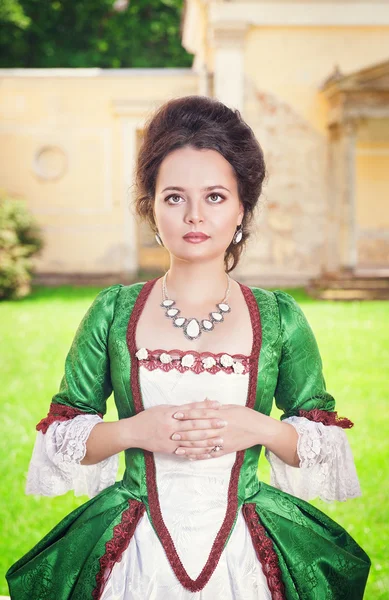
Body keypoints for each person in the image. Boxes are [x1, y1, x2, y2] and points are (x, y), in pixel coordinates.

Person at [6, 95, 370, 599]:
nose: (194, 215)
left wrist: (257, 427)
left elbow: (321, 444)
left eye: (216, 197)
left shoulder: (280, 319)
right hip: (133, 554)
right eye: (174, 196)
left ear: (243, 206)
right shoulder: (114, 312)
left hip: (245, 552)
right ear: (151, 207)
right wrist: (136, 430)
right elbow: (64, 435)